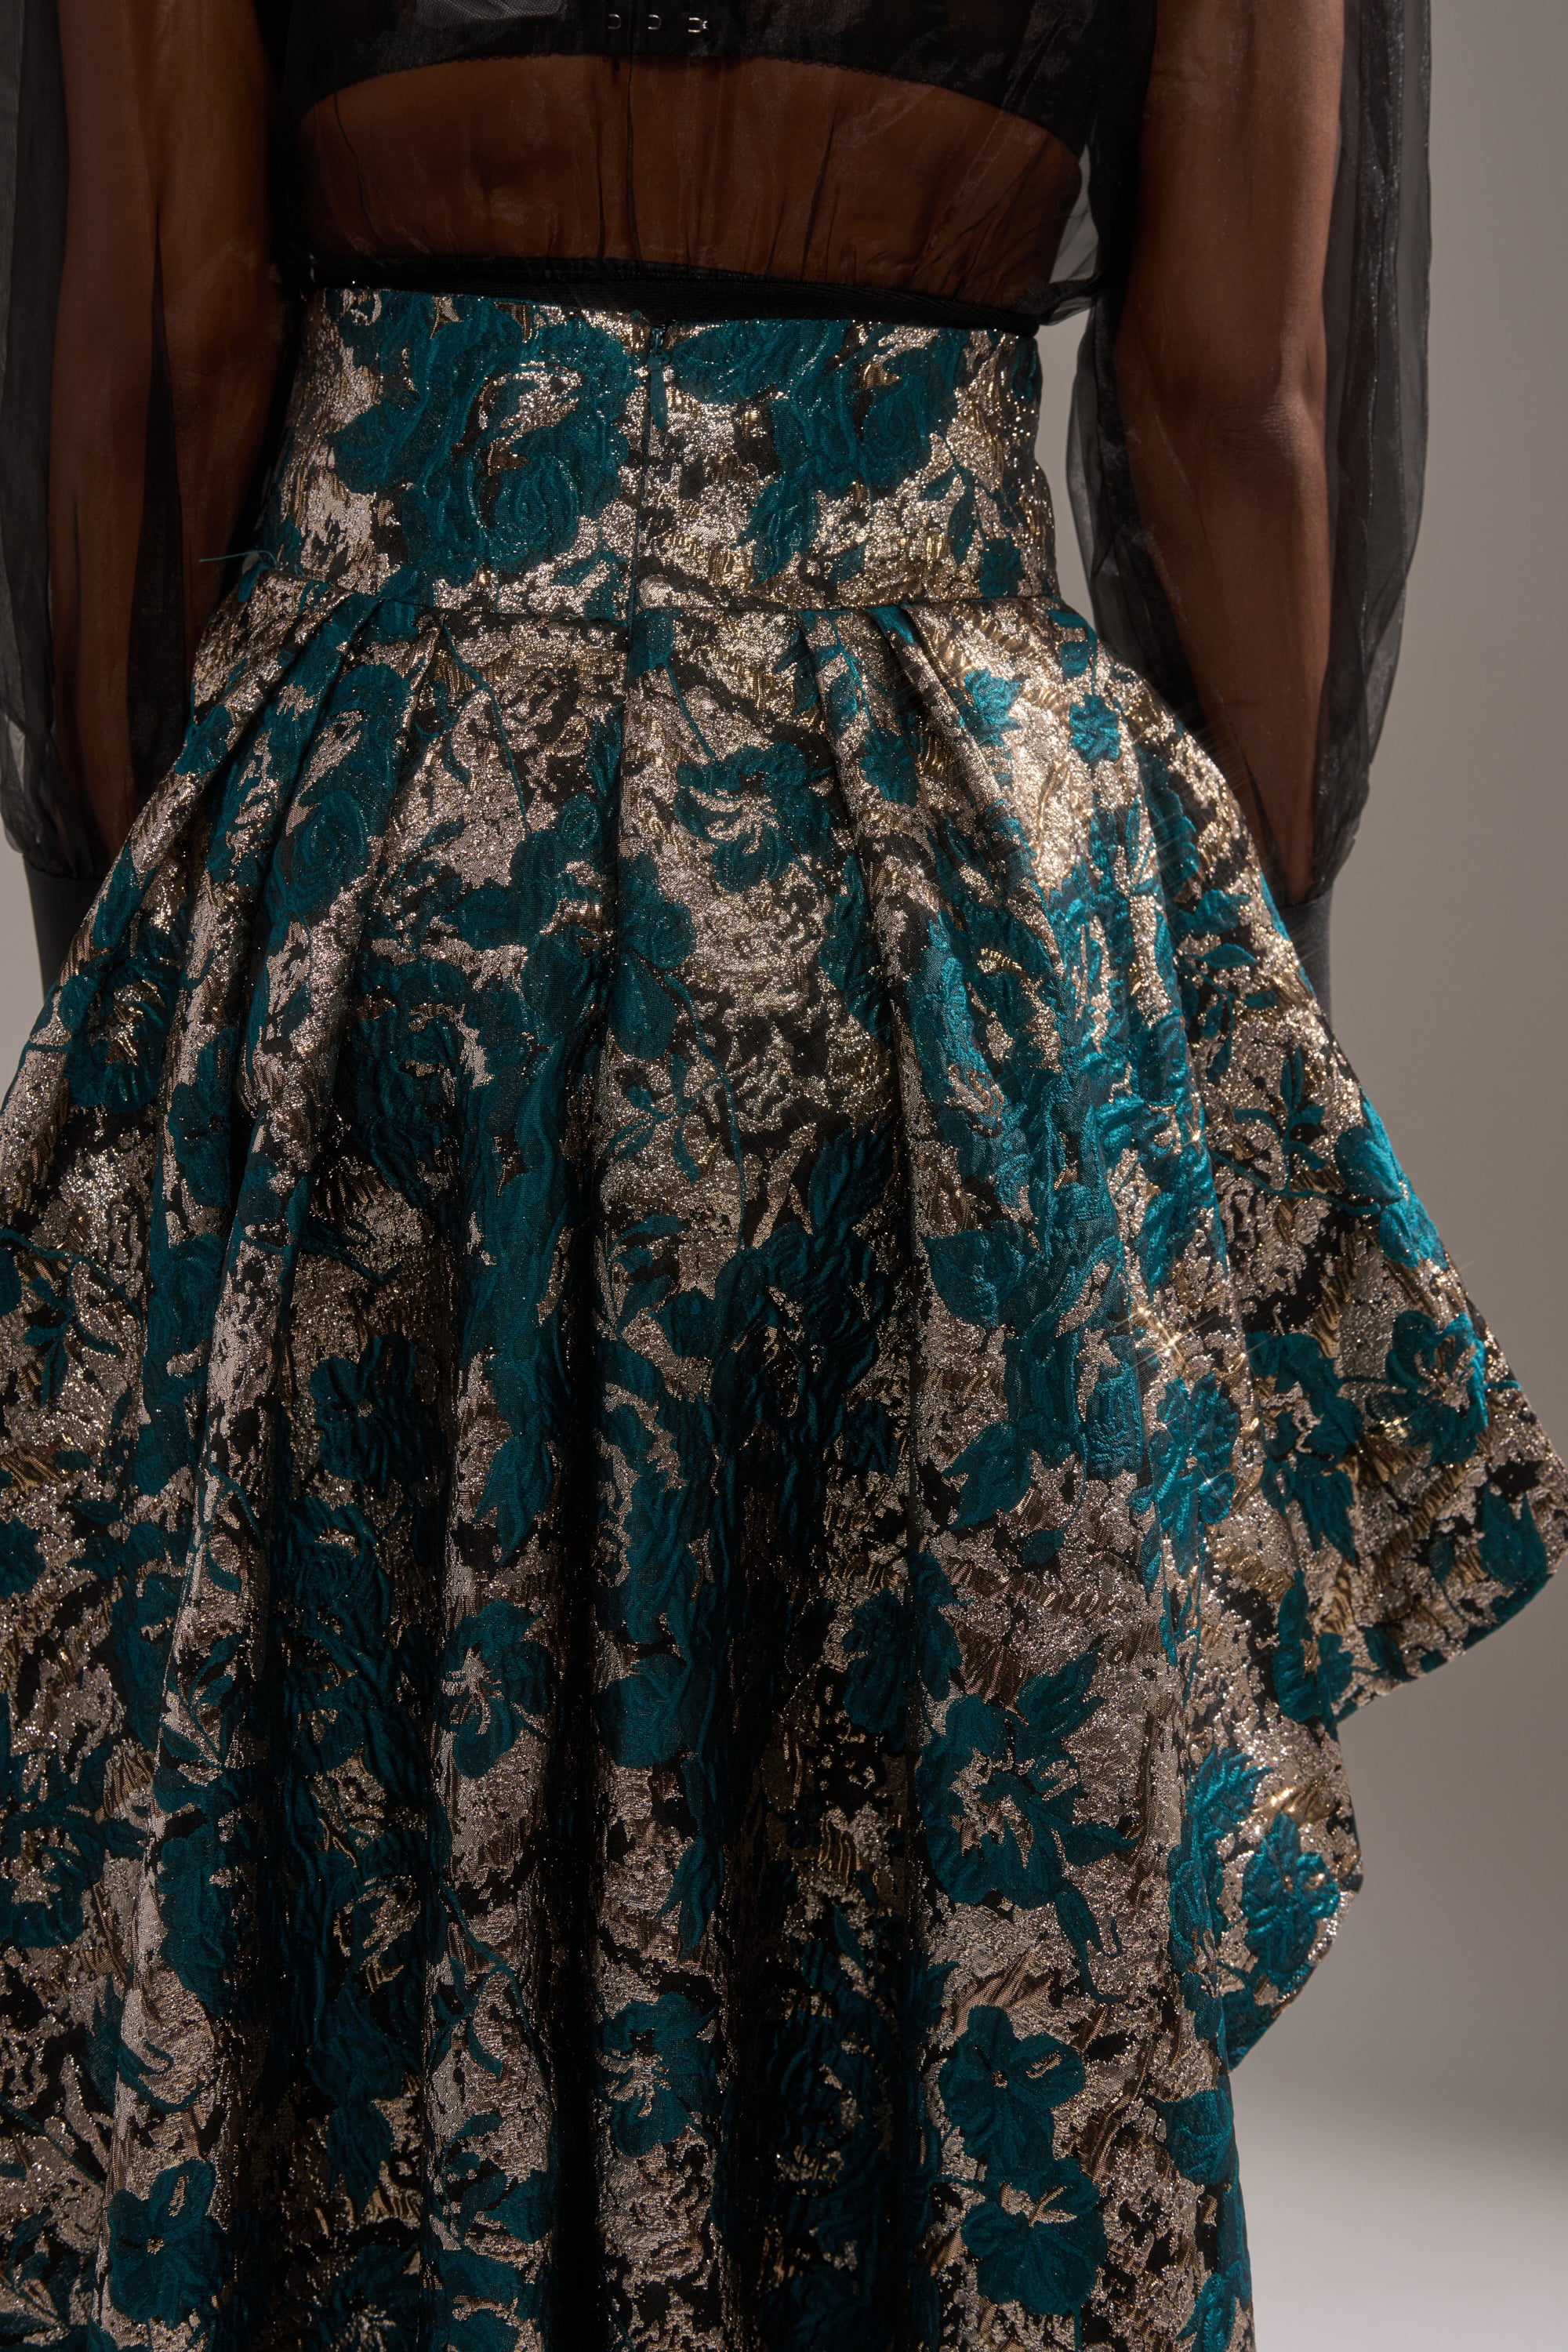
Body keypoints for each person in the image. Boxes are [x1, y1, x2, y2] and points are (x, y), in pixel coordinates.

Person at [0, 4, 1558, 2345]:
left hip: (401, 864)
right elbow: (1237, 391)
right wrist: (1211, 1029)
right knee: (945, 1864)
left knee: (358, 1838)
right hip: (936, 915)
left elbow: (171, 335)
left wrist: (157, 1000)